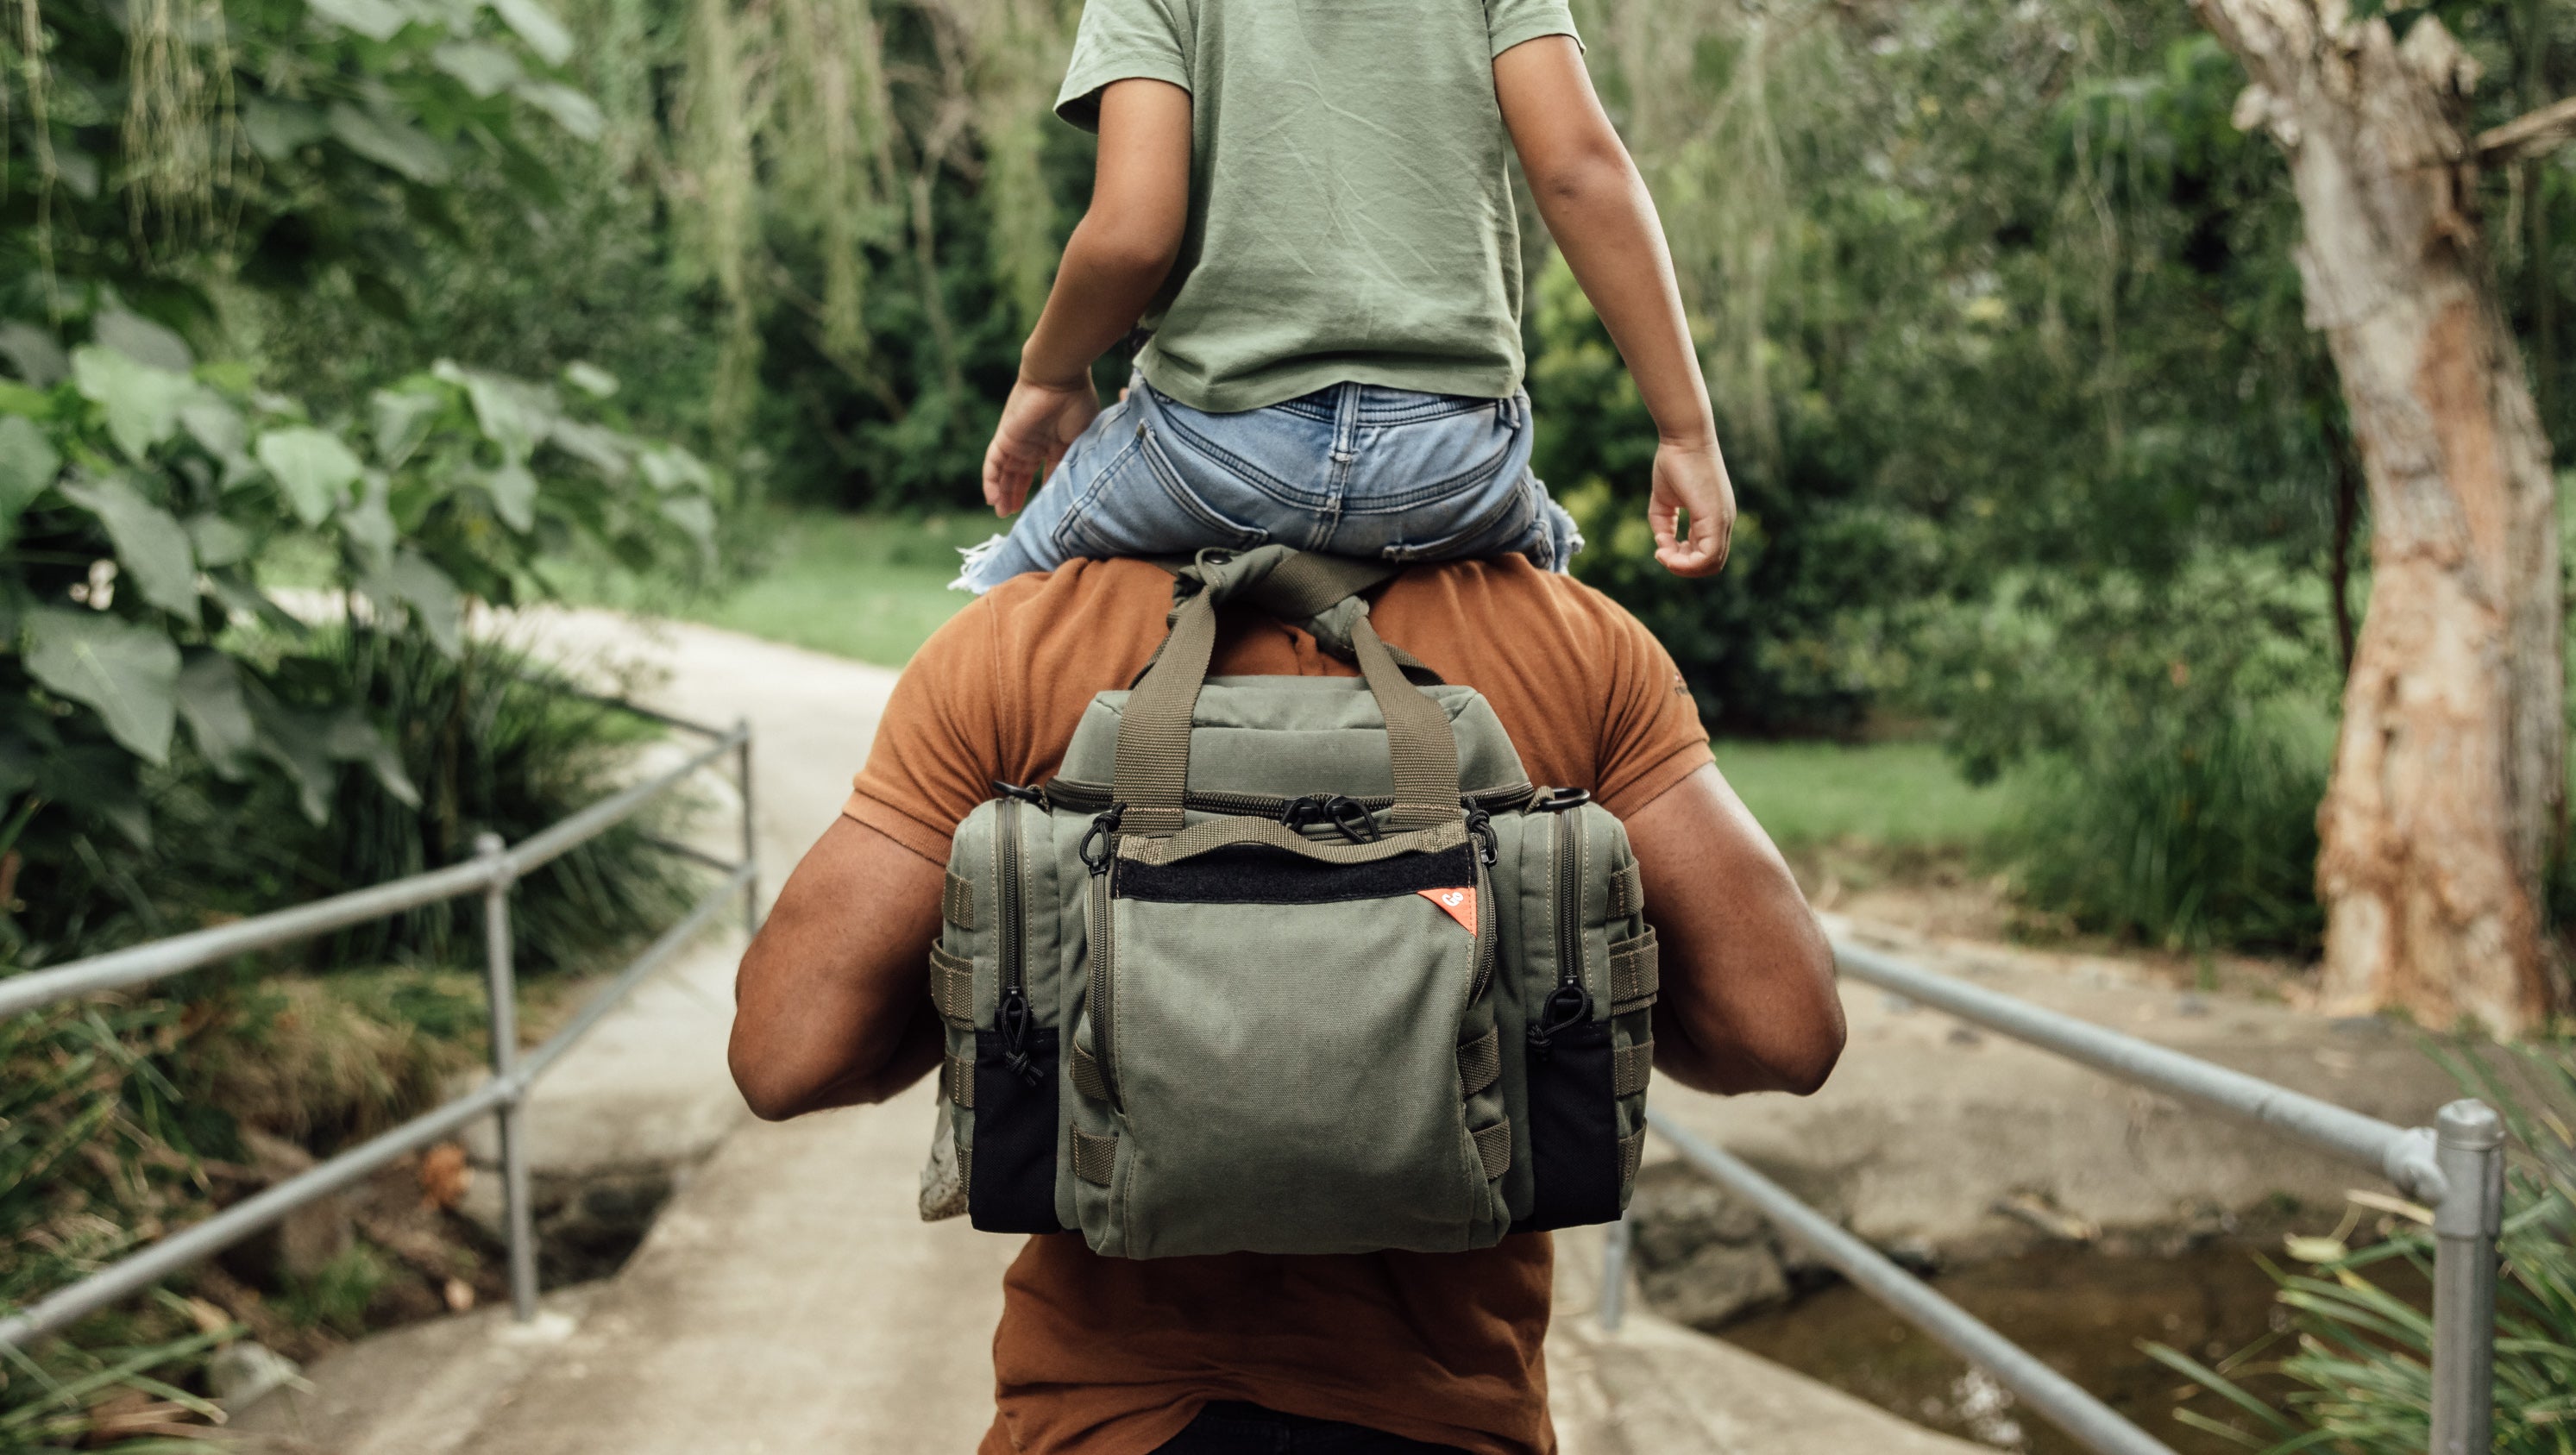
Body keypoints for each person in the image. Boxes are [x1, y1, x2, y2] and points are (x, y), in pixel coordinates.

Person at [730, 555, 1846, 1452]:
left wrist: (1019, 978)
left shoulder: (1022, 639)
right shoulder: (1570, 638)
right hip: (1451, 1411)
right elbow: (1784, 1030)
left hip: (1103, 1415)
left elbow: (788, 1053)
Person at [953, 0, 1736, 593]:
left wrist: (1048, 375)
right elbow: (1581, 174)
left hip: (1211, 453)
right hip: (1450, 465)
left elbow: (1132, 235)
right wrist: (1686, 433)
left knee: (998, 623)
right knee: (1571, 627)